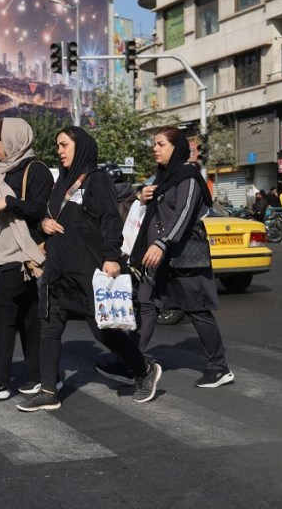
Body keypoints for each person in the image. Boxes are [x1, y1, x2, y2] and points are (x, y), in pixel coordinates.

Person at [18, 127, 161, 412]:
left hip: (88, 268)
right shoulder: (61, 183)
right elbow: (49, 215)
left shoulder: (97, 180)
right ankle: (48, 390)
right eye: (57, 146)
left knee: (102, 330)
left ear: (80, 146)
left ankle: (144, 369)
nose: (59, 151)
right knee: (49, 327)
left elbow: (110, 220)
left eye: (64, 145)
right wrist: (43, 224)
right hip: (58, 268)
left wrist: (111, 257)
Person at [103, 126, 233, 389]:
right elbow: (153, 211)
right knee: (146, 304)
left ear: (176, 148)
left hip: (185, 256)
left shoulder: (188, 177)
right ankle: (132, 361)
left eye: (161, 144)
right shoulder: (162, 177)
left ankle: (219, 368)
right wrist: (144, 194)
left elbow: (183, 215)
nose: (155, 148)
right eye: (155, 144)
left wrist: (162, 243)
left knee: (197, 310)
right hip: (159, 258)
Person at [0, 118, 54, 401]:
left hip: (25, 256)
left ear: (13, 140)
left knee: (0, 313)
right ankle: (41, 377)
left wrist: (9, 203)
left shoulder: (36, 169)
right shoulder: (2, 173)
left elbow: (42, 209)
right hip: (4, 255)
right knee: (29, 319)